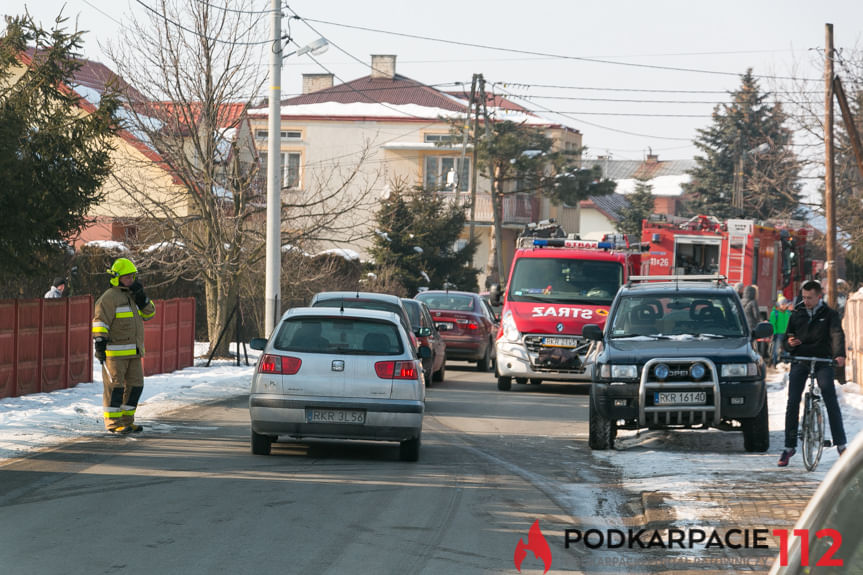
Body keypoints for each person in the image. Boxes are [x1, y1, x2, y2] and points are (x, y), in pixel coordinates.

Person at [778, 280, 848, 467]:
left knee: (829, 394)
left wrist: (839, 354)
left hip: (823, 360)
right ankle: (789, 447)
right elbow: (787, 338)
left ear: (819, 296)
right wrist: (789, 344)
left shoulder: (830, 315)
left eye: (810, 298)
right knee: (793, 400)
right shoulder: (797, 314)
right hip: (800, 360)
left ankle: (841, 444)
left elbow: (837, 335)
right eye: (804, 297)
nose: (806, 301)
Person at [91, 258, 156, 434]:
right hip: (114, 353)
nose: (131, 280)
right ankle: (113, 423)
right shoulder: (109, 298)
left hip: (134, 352)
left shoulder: (134, 295)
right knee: (115, 388)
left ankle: (127, 421)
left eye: (132, 276)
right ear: (117, 277)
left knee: (136, 386)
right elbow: (100, 322)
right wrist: (99, 343)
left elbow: (149, 314)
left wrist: (141, 297)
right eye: (127, 277)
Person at [768, 295, 791, 366]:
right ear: (779, 304)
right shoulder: (775, 313)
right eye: (782, 304)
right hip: (778, 334)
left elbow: (791, 323)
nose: (784, 306)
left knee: (786, 348)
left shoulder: (788, 313)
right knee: (776, 349)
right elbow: (772, 324)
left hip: (786, 334)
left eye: (785, 304)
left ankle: (786, 362)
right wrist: (774, 333)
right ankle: (775, 362)